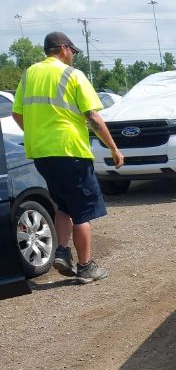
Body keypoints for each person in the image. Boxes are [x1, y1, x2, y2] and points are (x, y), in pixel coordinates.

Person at [12, 31, 124, 284]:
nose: (73, 55)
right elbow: (93, 117)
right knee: (82, 212)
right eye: (72, 51)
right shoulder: (73, 75)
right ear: (63, 48)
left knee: (63, 205)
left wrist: (37, 134)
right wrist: (114, 148)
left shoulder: (29, 75)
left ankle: (62, 251)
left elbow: (18, 114)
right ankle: (85, 268)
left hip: (42, 153)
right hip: (70, 151)